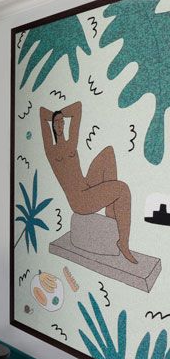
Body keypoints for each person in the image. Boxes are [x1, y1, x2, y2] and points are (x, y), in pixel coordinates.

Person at [40, 102, 136, 264]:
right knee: (123, 189)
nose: (60, 125)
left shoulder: (71, 144)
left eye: (62, 122)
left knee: (108, 153)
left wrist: (60, 114)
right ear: (52, 125)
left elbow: (77, 108)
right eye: (56, 123)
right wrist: (55, 115)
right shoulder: (51, 150)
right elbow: (42, 113)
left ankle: (111, 213)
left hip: (86, 186)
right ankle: (123, 243)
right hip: (79, 201)